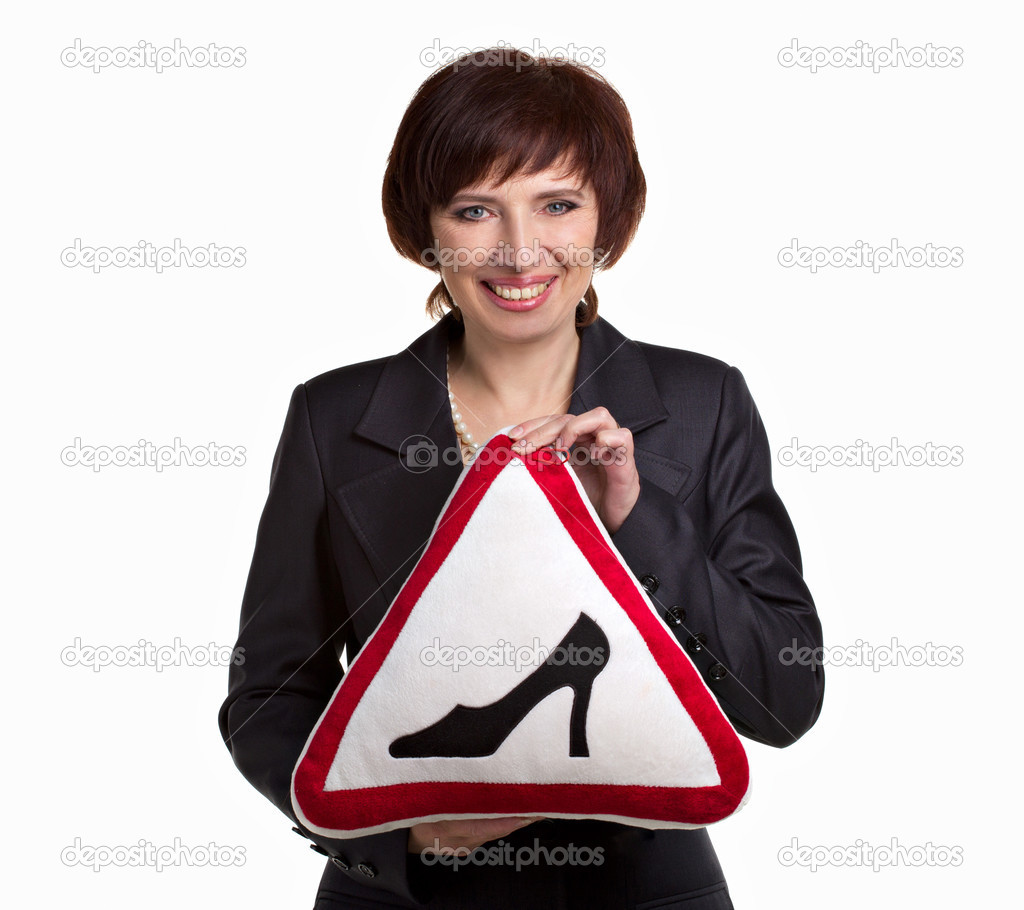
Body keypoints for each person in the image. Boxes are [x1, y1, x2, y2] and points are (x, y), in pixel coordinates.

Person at [218, 47, 824, 909]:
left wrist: (637, 520)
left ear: (607, 221)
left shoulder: (702, 400)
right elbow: (269, 693)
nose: (519, 250)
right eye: (475, 209)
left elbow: (785, 700)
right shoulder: (331, 417)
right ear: (422, 227)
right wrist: (399, 836)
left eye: (558, 204)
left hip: (645, 891)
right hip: (402, 894)